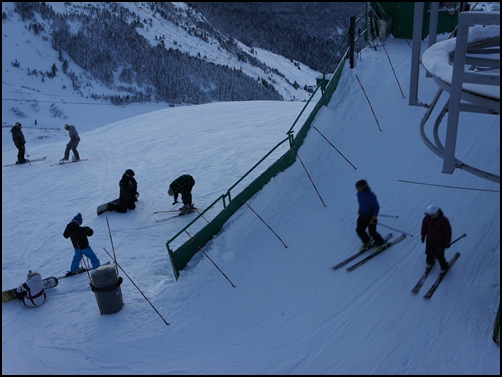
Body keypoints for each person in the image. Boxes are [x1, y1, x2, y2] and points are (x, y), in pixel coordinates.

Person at [355, 179, 386, 252]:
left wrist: (374, 217)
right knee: (359, 230)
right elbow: (361, 203)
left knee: (372, 232)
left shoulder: (371, 196)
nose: (357, 190)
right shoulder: (359, 194)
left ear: (363, 188)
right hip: (362, 215)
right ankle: (367, 242)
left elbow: (376, 207)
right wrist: (360, 209)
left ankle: (381, 244)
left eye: (358, 188)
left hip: (370, 217)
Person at [421, 205, 452, 273]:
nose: (431, 217)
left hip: (439, 240)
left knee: (439, 254)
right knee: (428, 251)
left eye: (432, 215)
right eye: (430, 215)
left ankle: (444, 267)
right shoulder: (427, 218)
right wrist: (423, 235)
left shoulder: (443, 220)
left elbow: (448, 232)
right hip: (429, 238)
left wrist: (447, 242)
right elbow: (424, 226)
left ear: (437, 213)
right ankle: (430, 262)